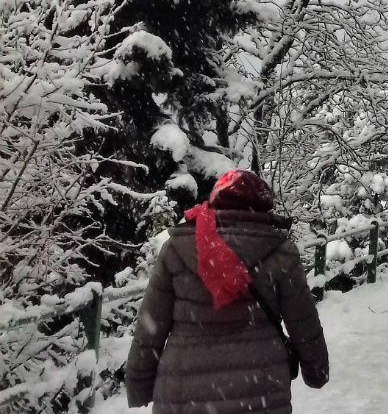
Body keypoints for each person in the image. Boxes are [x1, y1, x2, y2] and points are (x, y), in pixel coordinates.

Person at [125, 169, 329, 414]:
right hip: (260, 389)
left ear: (215, 200)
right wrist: (316, 371)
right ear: (263, 205)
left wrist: (138, 385)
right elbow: (303, 321)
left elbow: (150, 327)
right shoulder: (281, 252)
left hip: (184, 392)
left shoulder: (177, 249)